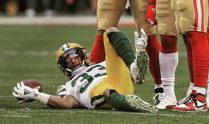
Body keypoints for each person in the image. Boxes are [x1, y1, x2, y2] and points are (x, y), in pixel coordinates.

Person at [13, 27, 157, 113]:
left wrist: (131, 70)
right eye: (67, 59)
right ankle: (131, 103)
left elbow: (124, 77)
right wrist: (36, 95)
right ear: (64, 67)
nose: (72, 59)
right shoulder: (68, 86)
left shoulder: (102, 64)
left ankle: (134, 66)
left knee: (110, 31)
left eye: (74, 54)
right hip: (105, 93)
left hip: (118, 81)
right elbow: (66, 103)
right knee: (106, 90)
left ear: (83, 55)